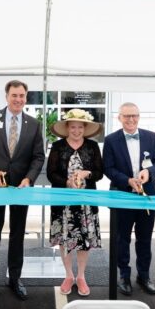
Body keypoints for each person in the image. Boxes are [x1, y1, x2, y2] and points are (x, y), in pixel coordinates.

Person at [0, 80, 45, 303]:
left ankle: (15, 279)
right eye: (14, 95)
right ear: (6, 96)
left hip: (21, 189)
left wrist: (29, 178)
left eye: (22, 96)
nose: (18, 99)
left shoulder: (33, 124)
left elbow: (38, 156)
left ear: (26, 97)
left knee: (17, 235)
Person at [103, 102, 155, 296]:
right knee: (122, 238)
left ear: (139, 116)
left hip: (147, 197)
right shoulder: (111, 140)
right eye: (126, 116)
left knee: (144, 238)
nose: (131, 119)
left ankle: (144, 275)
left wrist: (149, 172)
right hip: (122, 196)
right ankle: (124, 276)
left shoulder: (150, 136)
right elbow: (108, 168)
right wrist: (128, 181)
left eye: (134, 116)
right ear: (119, 118)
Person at [47, 108, 104, 297]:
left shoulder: (93, 147)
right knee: (65, 238)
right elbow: (50, 173)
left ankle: (81, 276)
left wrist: (87, 173)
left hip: (86, 203)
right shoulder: (57, 147)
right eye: (73, 127)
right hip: (63, 202)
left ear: (85, 128)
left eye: (80, 127)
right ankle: (68, 275)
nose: (77, 131)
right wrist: (66, 181)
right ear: (67, 128)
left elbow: (99, 173)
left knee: (84, 240)